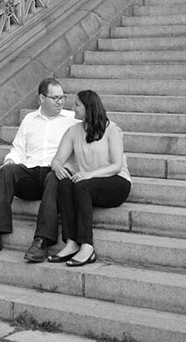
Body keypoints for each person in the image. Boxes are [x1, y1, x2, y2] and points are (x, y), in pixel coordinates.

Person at [0, 77, 81, 262]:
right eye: (55, 98)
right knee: (6, 171)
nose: (61, 102)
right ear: (42, 98)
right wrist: (10, 162)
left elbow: (82, 150)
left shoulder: (72, 120)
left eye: (62, 97)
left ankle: (42, 241)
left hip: (55, 175)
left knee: (53, 177)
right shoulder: (29, 120)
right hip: (32, 176)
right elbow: (18, 148)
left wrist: (67, 167)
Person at [48, 89, 131, 267]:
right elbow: (58, 159)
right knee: (64, 184)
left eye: (77, 104)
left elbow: (116, 166)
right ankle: (71, 243)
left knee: (81, 186)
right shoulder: (73, 131)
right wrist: (57, 167)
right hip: (88, 183)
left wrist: (88, 175)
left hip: (116, 182)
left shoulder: (111, 129)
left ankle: (87, 245)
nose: (73, 108)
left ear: (89, 107)